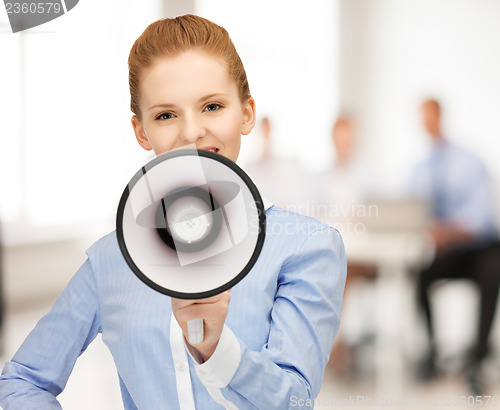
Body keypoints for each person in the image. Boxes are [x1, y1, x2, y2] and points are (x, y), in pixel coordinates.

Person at [0, 15, 347, 409]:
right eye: (166, 115)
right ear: (142, 131)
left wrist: (218, 350)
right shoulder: (110, 260)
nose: (192, 132)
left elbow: (295, 402)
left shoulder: (304, 248)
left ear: (246, 113)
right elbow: (22, 380)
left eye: (212, 106)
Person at [411, 98, 500, 394]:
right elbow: (411, 210)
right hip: (449, 252)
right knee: (420, 273)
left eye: (430, 116)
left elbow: (482, 218)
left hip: (480, 248)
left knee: (493, 271)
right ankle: (432, 353)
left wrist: (448, 231)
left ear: (440, 117)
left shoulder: (469, 161)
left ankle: (478, 359)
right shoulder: (421, 167)